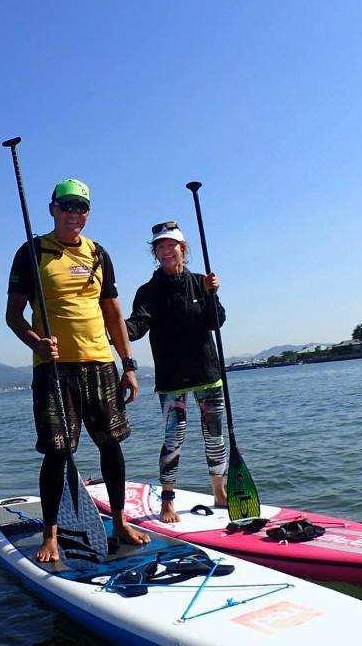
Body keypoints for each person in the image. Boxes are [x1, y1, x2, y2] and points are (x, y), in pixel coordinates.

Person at [6, 178, 150, 562]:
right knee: (57, 453)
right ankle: (50, 533)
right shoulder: (32, 252)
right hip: (54, 370)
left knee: (111, 445)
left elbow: (114, 314)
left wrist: (129, 365)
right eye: (67, 206)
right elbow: (13, 315)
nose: (75, 213)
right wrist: (36, 341)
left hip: (100, 364)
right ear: (52, 208)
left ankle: (119, 521)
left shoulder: (99, 254)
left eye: (82, 207)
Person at [124, 220, 228, 523]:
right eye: (160, 246)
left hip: (208, 373)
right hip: (172, 380)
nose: (166, 250)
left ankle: (219, 492)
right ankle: (167, 502)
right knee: (174, 438)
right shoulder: (148, 291)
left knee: (215, 436)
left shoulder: (201, 282)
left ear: (183, 248)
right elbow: (137, 326)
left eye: (171, 245)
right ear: (155, 253)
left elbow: (215, 322)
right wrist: (111, 324)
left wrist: (212, 295)